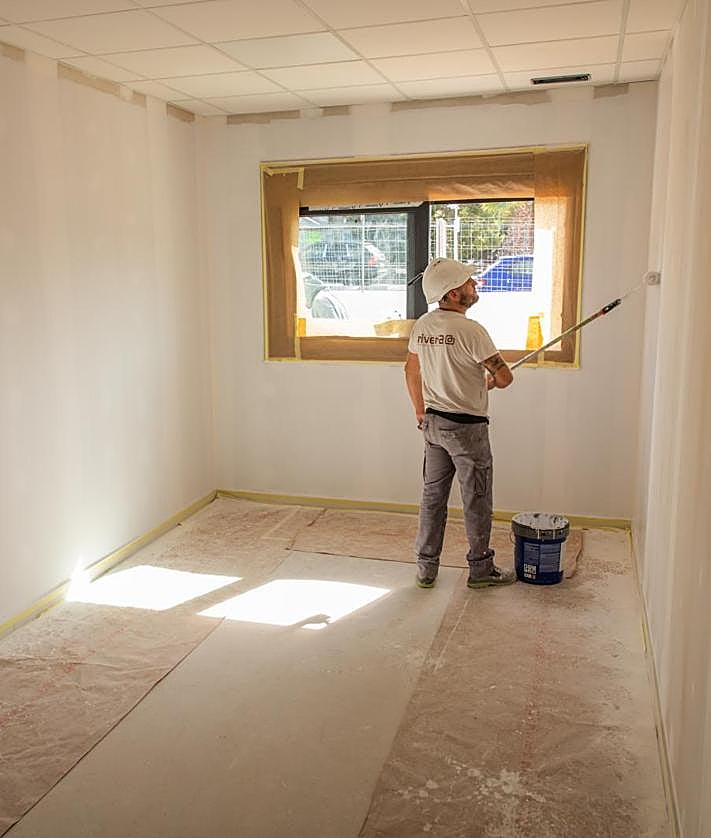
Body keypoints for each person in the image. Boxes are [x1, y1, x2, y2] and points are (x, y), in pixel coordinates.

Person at [404, 257, 515, 589]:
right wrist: (492, 380)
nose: (474, 285)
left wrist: (420, 412)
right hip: (468, 429)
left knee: (433, 498)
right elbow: (505, 377)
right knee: (476, 498)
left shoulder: (422, 325)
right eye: (468, 283)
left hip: (434, 425)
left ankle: (426, 568)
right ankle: (480, 569)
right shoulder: (472, 330)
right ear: (452, 294)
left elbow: (411, 371)